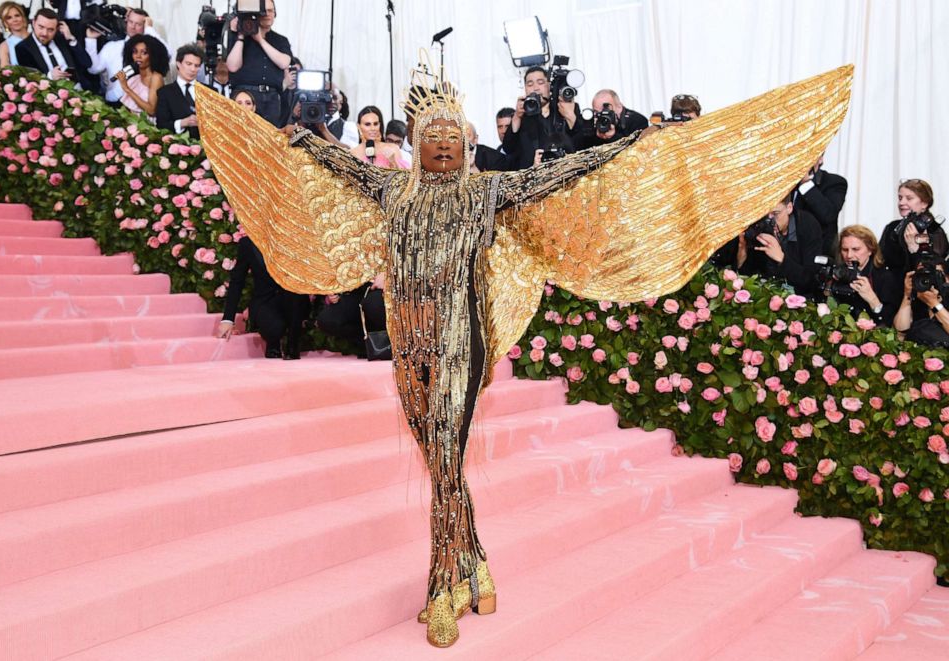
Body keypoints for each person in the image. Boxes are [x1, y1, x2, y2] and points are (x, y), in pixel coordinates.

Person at [198, 56, 851, 647]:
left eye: (455, 139)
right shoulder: (393, 193)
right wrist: (307, 139)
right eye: (435, 140)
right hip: (408, 338)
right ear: (423, 147)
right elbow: (347, 167)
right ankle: (476, 559)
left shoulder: (488, 192)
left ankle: (443, 586)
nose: (446, 148)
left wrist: (628, 142)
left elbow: (564, 171)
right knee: (439, 459)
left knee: (446, 461)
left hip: (463, 337)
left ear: (467, 144)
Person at [217, 235, 311, 359]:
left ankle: (293, 343)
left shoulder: (295, 237)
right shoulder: (248, 243)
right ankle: (273, 342)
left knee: (295, 299)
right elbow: (237, 281)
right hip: (265, 300)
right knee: (274, 329)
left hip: (293, 298)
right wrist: (228, 319)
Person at [736, 194, 823, 295]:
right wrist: (742, 250)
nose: (769, 219)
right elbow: (746, 276)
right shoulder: (759, 225)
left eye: (775, 213)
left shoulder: (807, 225)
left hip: (798, 296)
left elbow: (811, 280)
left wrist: (781, 258)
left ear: (789, 208)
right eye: (765, 214)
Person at [226, 0, 292, 126]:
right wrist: (240, 36)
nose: (267, 14)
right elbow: (232, 66)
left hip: (272, 98)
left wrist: (260, 40)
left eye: (271, 11)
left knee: (271, 138)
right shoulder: (239, 37)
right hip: (245, 96)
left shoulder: (280, 40)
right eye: (263, 11)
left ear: (275, 14)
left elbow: (284, 63)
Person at [85, 8, 169, 106]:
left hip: (141, 105)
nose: (133, 27)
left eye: (138, 24)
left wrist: (150, 30)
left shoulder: (153, 51)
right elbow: (93, 69)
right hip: (113, 102)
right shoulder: (112, 47)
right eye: (130, 22)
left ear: (145, 26)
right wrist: (90, 40)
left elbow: (168, 54)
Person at [502, 65, 581, 169]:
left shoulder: (565, 107)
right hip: (533, 177)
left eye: (540, 83)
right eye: (530, 84)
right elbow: (508, 148)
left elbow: (581, 143)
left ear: (549, 85)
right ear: (525, 89)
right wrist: (517, 117)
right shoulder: (522, 116)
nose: (536, 88)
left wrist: (570, 116)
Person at [830, 225, 900, 326]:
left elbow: (889, 321)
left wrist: (872, 299)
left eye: (856, 249)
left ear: (870, 250)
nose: (849, 255)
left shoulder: (884, 277)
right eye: (845, 250)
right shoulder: (838, 273)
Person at [15, 8, 96, 91]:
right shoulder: (23, 48)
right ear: (33, 23)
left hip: (79, 89)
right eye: (41, 27)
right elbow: (30, 78)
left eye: (50, 30)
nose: (44, 33)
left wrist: (71, 39)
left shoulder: (63, 39)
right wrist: (50, 76)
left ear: (57, 28)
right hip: (50, 95)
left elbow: (87, 63)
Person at [879, 179, 946, 278]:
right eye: (900, 198)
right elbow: (879, 260)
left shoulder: (935, 232)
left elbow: (936, 271)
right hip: (891, 287)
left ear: (924, 203)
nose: (901, 202)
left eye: (909, 198)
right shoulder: (892, 227)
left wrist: (914, 248)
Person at [791, 155, 848, 253]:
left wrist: (805, 184)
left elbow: (828, 214)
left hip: (817, 253)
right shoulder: (782, 185)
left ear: (820, 158)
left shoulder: (834, 182)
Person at [316, 275, 388, 353]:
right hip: (357, 288)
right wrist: (333, 293)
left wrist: (387, 275)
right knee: (327, 319)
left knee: (373, 304)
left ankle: (391, 345)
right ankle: (370, 344)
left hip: (387, 287)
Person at [893, 258, 949, 347]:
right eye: (923, 275)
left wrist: (934, 304)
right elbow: (900, 333)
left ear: (947, 278)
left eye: (934, 275)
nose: (928, 279)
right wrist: (907, 295)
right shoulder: (918, 300)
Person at [155, 45, 204, 140]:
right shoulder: (165, 93)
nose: (193, 69)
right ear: (178, 64)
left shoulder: (210, 91)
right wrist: (182, 123)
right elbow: (161, 125)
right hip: (177, 148)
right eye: (189, 64)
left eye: (196, 66)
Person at [575, 89, 648, 150]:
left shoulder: (637, 121)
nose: (602, 116)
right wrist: (596, 137)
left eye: (607, 111)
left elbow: (636, 153)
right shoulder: (593, 121)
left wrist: (613, 137)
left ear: (619, 107)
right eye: (597, 113)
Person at [116, 35, 167, 117]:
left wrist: (127, 89)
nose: (138, 56)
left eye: (144, 53)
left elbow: (151, 110)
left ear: (153, 56)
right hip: (130, 122)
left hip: (148, 126)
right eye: (135, 52)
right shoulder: (134, 78)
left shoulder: (156, 78)